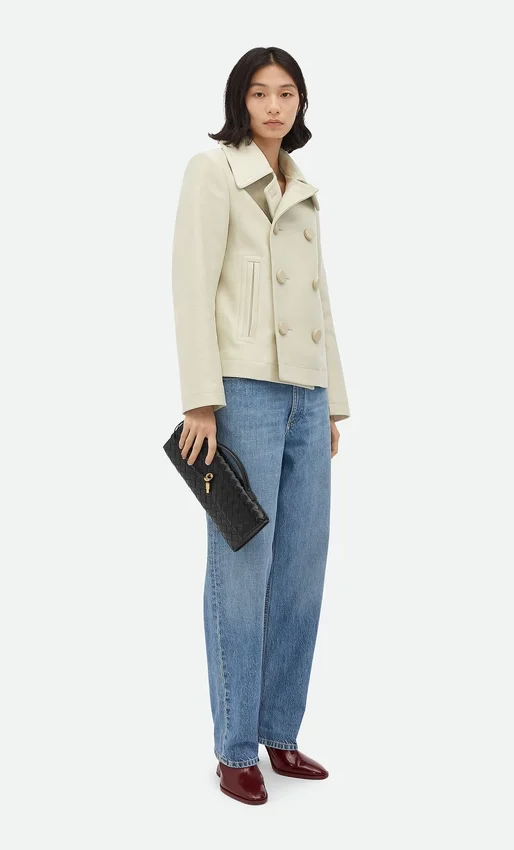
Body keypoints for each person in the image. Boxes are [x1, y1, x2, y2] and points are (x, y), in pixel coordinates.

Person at [170, 46, 350, 805]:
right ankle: (235, 747)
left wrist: (332, 401)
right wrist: (199, 399)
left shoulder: (301, 187)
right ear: (239, 102)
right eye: (259, 93)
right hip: (241, 394)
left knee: (302, 571)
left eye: (287, 94)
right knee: (241, 572)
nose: (274, 107)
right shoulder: (213, 172)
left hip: (306, 395)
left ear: (300, 104)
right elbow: (191, 284)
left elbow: (318, 298)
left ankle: (281, 732)